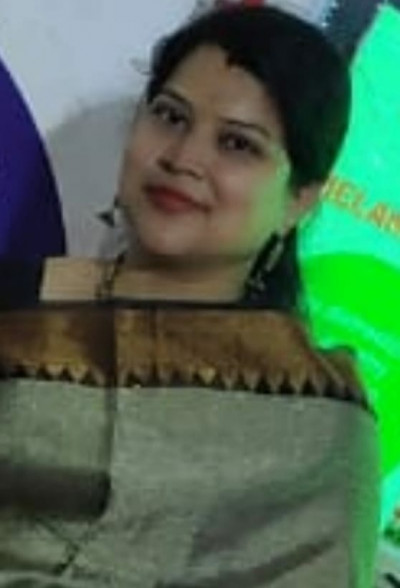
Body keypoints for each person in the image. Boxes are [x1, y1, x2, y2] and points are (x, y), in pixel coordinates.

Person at [0, 4, 380, 587]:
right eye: (170, 116)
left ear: (299, 200)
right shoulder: (14, 303)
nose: (183, 159)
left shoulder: (320, 429)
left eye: (237, 144)